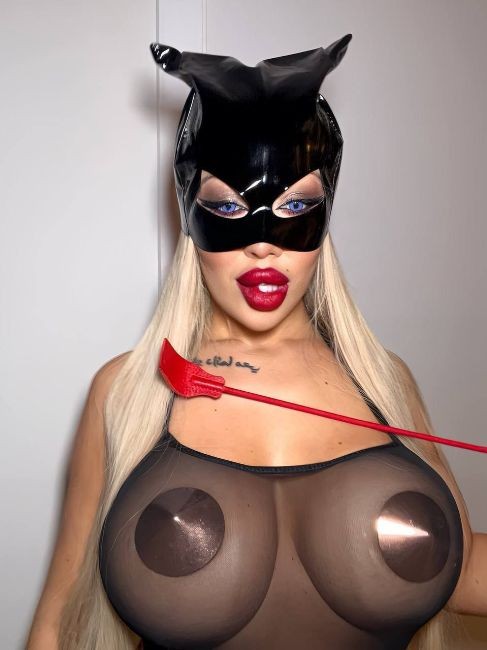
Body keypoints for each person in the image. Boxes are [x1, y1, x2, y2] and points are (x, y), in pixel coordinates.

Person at [27, 35, 486, 650]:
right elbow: (60, 620)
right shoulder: (127, 393)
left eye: (296, 206)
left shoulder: (382, 379)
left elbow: (461, 572)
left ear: (326, 216)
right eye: (227, 210)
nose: (264, 245)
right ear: (188, 217)